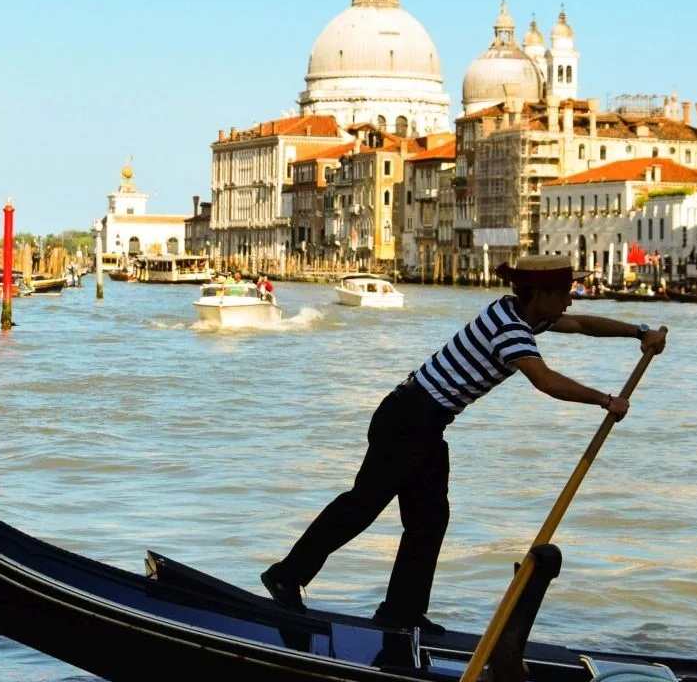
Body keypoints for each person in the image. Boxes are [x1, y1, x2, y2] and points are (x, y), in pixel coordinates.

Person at [260, 254, 667, 634]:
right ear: (541, 295)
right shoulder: (510, 328)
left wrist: (639, 332)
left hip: (426, 423)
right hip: (407, 418)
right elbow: (544, 380)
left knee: (429, 520)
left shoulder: (519, 313)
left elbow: (583, 325)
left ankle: (401, 612)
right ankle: (286, 576)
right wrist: (604, 399)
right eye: (564, 293)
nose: (570, 302)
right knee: (363, 505)